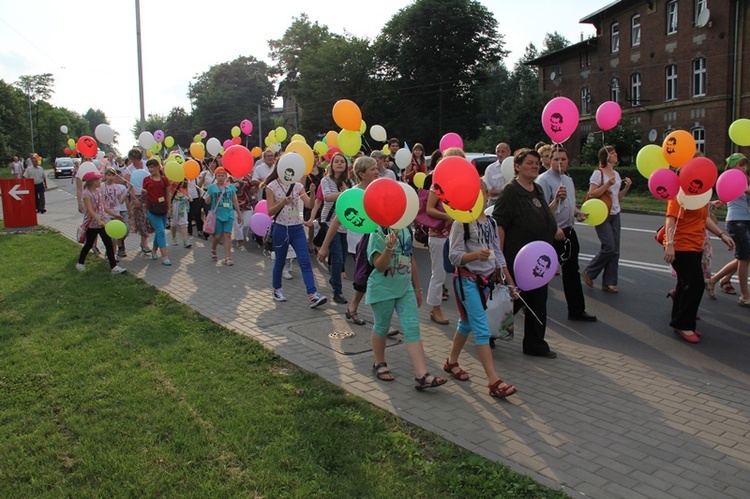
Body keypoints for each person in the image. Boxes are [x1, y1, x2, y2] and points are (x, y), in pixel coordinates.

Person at [446, 180, 518, 398]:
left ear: (487, 195)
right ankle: (493, 380)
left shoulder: (492, 223)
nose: (478, 198)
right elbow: (454, 257)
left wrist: (510, 282)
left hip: (486, 282)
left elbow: (498, 253)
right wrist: (475, 255)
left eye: (481, 194)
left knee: (466, 324)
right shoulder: (462, 223)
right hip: (467, 281)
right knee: (481, 328)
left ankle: (451, 362)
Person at [492, 148, 558, 358]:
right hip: (516, 259)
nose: (535, 166)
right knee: (514, 301)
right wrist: (499, 262)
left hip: (538, 260)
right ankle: (488, 332)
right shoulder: (511, 192)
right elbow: (499, 226)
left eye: (537, 163)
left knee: (538, 302)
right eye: (530, 163)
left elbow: (543, 214)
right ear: (517, 167)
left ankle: (535, 344)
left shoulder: (536, 188)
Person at [367, 225, 447, 391]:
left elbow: (409, 259)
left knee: (412, 329)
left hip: (405, 289)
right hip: (383, 289)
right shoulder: (376, 233)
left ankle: (422, 375)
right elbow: (379, 266)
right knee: (381, 327)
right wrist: (389, 248)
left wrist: (417, 288)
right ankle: (379, 363)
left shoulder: (404, 229)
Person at [318, 156, 381, 325]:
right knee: (369, 281)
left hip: (379, 242)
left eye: (377, 168)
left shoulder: (379, 190)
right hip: (361, 245)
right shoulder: (353, 195)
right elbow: (337, 221)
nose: (377, 171)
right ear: (361, 174)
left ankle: (353, 309)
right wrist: (324, 247)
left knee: (369, 280)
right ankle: (380, 321)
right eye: (372, 169)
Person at [663, 192, 734, 342]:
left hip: (695, 246)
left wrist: (722, 235)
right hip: (680, 247)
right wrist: (670, 245)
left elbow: (704, 218)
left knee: (684, 283)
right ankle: (684, 325)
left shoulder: (698, 197)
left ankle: (679, 320)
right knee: (696, 285)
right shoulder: (678, 196)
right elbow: (670, 220)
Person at [537, 147, 597, 321]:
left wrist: (577, 212)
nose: (560, 162)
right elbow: (541, 211)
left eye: (563, 159)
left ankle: (577, 310)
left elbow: (570, 203)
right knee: (541, 272)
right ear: (549, 160)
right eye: (555, 159)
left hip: (569, 232)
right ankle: (528, 305)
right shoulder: (544, 180)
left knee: (572, 272)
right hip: (551, 234)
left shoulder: (568, 180)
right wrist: (554, 228)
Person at [265, 159, 327, 308]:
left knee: (305, 262)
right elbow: (269, 211)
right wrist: (282, 203)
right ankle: (277, 289)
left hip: (297, 228)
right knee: (280, 261)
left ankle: (312, 295)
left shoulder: (298, 185)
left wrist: (312, 192)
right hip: (281, 227)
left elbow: (310, 205)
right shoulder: (271, 186)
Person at [582, 145, 632, 293]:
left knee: (615, 250)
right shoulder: (598, 173)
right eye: (612, 153)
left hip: (615, 213)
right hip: (602, 213)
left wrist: (626, 188)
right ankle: (589, 272)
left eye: (615, 152)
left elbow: (616, 198)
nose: (616, 155)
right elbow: (592, 194)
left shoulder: (616, 174)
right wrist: (607, 184)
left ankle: (609, 282)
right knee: (609, 246)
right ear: (605, 156)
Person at [706, 153, 750, 306]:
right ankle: (745, 296)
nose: (744, 167)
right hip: (737, 222)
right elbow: (732, 192)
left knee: (743, 257)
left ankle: (715, 280)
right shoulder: (732, 178)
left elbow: (730, 197)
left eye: (745, 164)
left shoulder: (744, 180)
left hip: (745, 221)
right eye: (740, 164)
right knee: (744, 258)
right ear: (731, 166)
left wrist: (720, 202)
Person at [424, 151, 454, 325]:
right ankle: (435, 309)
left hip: (456, 235)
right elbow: (429, 209)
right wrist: (447, 217)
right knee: (439, 274)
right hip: (439, 235)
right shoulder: (437, 185)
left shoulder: (458, 185)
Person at [76, 171, 126, 274]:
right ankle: (80, 263)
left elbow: (103, 206)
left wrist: (115, 215)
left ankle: (114, 267)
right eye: (98, 179)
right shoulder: (86, 193)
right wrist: (98, 221)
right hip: (92, 224)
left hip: (101, 222)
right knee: (89, 244)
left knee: (108, 243)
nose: (100, 180)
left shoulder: (98, 191)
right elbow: (89, 209)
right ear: (93, 182)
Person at [204, 167, 241, 266]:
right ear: (215, 176)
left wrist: (239, 214)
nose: (220, 178)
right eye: (218, 175)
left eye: (222, 175)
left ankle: (227, 258)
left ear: (226, 176)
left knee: (227, 235)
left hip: (229, 213)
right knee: (217, 236)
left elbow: (234, 201)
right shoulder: (212, 187)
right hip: (217, 215)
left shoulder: (230, 187)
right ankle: (213, 248)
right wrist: (207, 199)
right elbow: (207, 201)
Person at [142, 159, 172, 266]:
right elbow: (144, 194)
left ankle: (154, 250)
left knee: (160, 231)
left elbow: (167, 195)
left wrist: (169, 209)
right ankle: (165, 257)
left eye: (152, 167)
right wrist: (144, 192)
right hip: (151, 209)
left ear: (158, 167)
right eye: (149, 167)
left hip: (163, 208)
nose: (150, 169)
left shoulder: (165, 180)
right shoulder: (146, 180)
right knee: (160, 231)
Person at [123, 149, 153, 253]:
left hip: (148, 195)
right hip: (137, 196)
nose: (135, 162)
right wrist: (134, 199)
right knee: (141, 219)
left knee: (148, 219)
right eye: (133, 160)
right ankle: (144, 243)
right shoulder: (129, 170)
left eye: (137, 159)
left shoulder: (146, 165)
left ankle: (144, 241)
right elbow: (129, 186)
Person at [101, 167, 129, 260]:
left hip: (116, 213)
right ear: (105, 176)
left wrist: (127, 192)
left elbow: (120, 201)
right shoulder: (101, 186)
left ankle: (113, 255)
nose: (111, 177)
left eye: (113, 175)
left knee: (115, 236)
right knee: (110, 237)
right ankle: (109, 254)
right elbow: (103, 206)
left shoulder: (117, 187)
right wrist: (114, 214)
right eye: (109, 175)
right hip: (107, 215)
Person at [170, 180, 193, 249]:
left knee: (184, 222)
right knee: (173, 223)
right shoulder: (171, 177)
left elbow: (186, 190)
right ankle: (173, 237)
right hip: (174, 203)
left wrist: (189, 196)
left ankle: (186, 241)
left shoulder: (185, 179)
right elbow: (167, 190)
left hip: (183, 203)